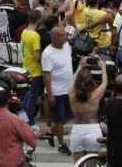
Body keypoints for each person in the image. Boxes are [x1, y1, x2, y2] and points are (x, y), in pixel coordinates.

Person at [0, 84, 46, 167]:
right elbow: (31, 141)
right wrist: (40, 133)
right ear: (8, 100)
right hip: (15, 163)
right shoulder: (16, 120)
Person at [41, 25, 74, 156]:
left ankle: (50, 131)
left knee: (70, 116)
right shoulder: (48, 53)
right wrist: (50, 95)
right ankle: (62, 144)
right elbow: (46, 75)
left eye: (65, 34)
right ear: (54, 37)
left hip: (69, 90)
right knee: (59, 119)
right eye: (63, 35)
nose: (66, 37)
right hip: (57, 91)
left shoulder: (66, 46)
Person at [68, 55, 107, 162]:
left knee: (78, 164)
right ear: (90, 81)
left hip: (77, 130)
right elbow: (104, 83)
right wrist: (103, 67)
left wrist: (80, 66)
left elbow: (72, 81)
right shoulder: (95, 95)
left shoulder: (71, 93)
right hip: (93, 130)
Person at [21, 10, 43, 125]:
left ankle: (25, 119)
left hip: (26, 68)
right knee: (32, 98)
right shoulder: (35, 35)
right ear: (38, 20)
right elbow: (37, 56)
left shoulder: (24, 32)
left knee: (27, 96)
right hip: (35, 71)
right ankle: (29, 121)